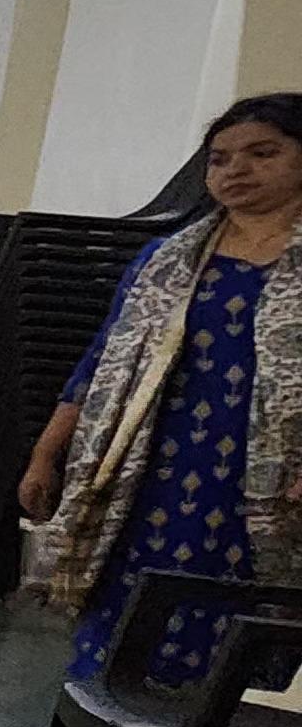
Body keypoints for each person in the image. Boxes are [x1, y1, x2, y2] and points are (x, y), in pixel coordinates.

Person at [19, 93, 302, 683]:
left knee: (234, 613)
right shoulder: (165, 261)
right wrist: (47, 454)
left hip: (267, 483)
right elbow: (101, 363)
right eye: (219, 159)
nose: (236, 171)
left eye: (262, 153)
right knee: (128, 601)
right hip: (150, 472)